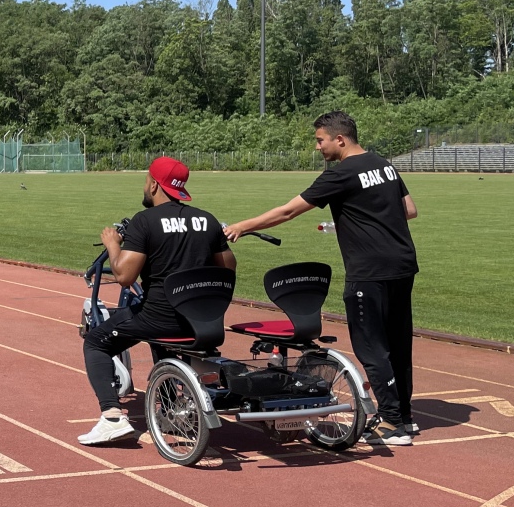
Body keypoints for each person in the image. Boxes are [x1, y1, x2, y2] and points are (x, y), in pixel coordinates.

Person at [225, 110, 420, 447]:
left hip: (369, 270)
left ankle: (391, 423)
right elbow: (410, 210)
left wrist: (243, 226)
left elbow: (289, 210)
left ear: (339, 139)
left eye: (320, 140)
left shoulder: (341, 173)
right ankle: (404, 416)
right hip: (403, 264)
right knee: (399, 344)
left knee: (372, 347)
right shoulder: (383, 164)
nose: (318, 147)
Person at [78, 156, 236, 446]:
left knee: (96, 342)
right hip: (201, 320)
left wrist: (113, 244)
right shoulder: (207, 220)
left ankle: (112, 417)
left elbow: (124, 276)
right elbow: (228, 267)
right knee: (157, 336)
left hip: (160, 319)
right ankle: (170, 407)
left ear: (153, 184)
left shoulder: (145, 221)